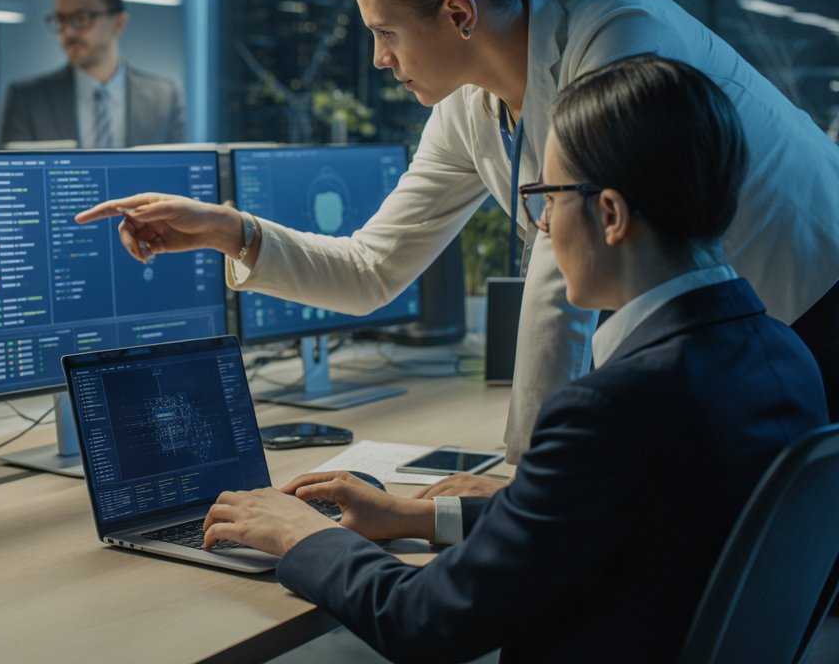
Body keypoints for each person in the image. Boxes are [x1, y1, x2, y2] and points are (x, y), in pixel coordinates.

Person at [76, 0, 839, 484]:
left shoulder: (618, 33)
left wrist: (523, 480)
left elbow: (562, 283)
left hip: (812, 301)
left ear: (457, 13)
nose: (378, 58)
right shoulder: (472, 108)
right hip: (725, 344)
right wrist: (230, 231)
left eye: (385, 32)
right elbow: (374, 267)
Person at [200, 56, 829, 663]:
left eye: (548, 198)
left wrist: (304, 535)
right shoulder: (782, 354)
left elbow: (424, 621)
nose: (543, 225)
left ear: (609, 215)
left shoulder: (612, 409)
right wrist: (421, 514)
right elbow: (609, 514)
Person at [0, 0, 186, 148]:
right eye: (61, 20)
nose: (68, 32)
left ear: (118, 23)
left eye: (81, 18)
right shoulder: (28, 100)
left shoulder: (164, 98)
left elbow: (181, 174)